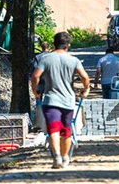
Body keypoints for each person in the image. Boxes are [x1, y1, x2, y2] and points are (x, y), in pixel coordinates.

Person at [30, 31, 90, 169]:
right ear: (68, 45)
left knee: (53, 129)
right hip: (68, 101)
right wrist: (85, 90)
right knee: (66, 130)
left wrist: (36, 91)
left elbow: (35, 77)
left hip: (51, 100)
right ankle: (65, 157)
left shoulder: (46, 59)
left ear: (53, 44)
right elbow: (85, 77)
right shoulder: (73, 60)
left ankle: (56, 156)